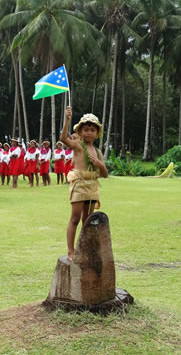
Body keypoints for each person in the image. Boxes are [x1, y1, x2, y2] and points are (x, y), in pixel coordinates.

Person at [60, 107, 108, 261]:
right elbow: (63, 139)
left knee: (88, 221)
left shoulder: (98, 152)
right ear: (80, 132)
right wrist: (67, 119)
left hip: (92, 186)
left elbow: (105, 175)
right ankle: (70, 251)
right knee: (75, 218)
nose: (89, 132)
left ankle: (85, 248)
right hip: (79, 184)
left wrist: (100, 164)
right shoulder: (78, 146)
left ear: (97, 133)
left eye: (92, 130)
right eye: (86, 129)